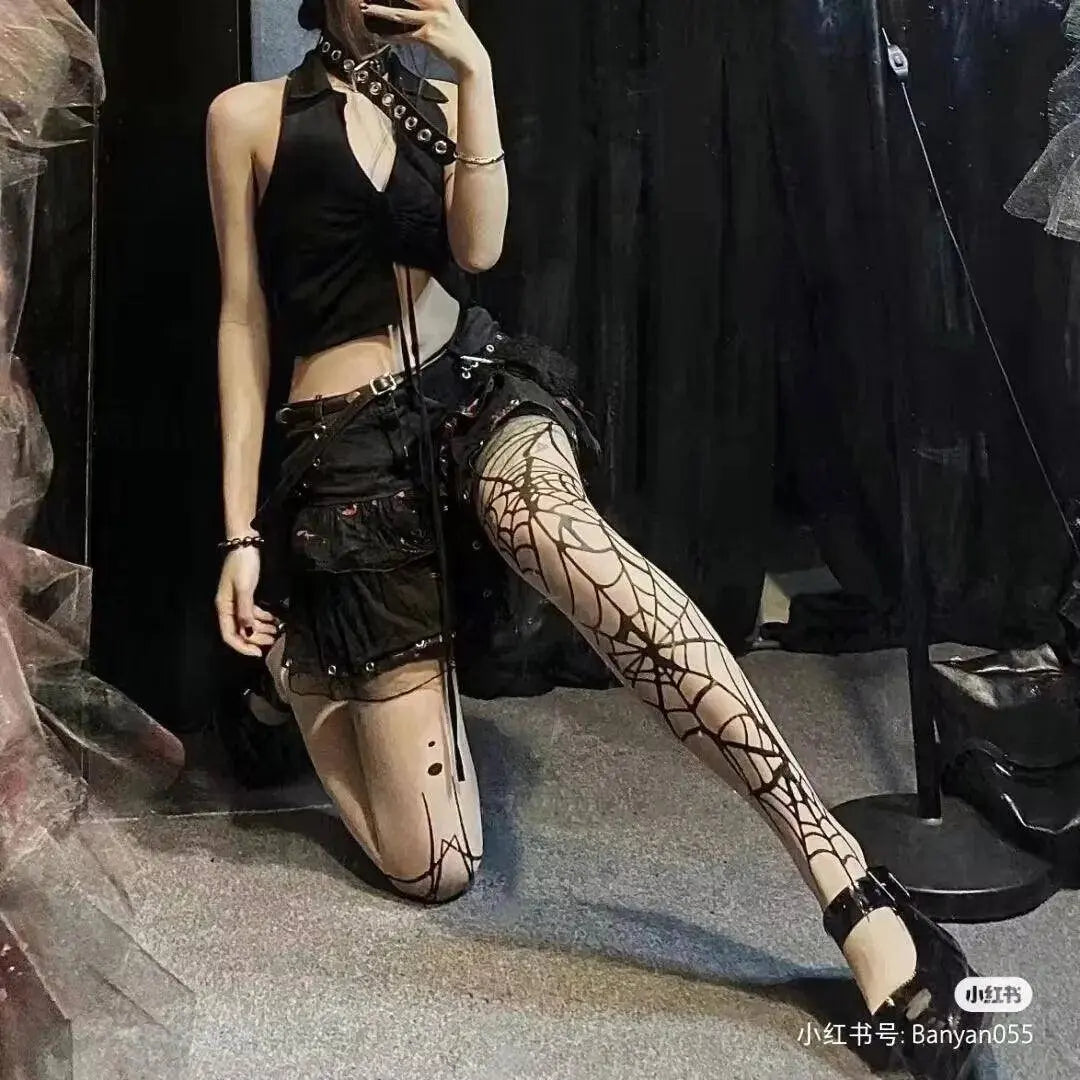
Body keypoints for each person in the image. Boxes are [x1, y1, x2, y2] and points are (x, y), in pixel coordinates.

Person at [206, 1, 982, 1075]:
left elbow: (479, 248)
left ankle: (850, 887)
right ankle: (301, 661)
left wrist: (476, 72)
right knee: (436, 867)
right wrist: (240, 533)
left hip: (471, 394)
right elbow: (242, 319)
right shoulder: (247, 115)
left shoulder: (442, 102)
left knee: (565, 536)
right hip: (348, 463)